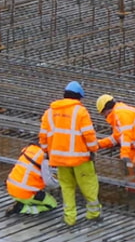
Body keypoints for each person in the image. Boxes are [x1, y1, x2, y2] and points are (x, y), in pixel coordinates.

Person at [39, 81, 102, 227]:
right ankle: (93, 214)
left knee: (67, 188)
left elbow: (43, 136)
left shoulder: (49, 112)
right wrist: (93, 150)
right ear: (79, 97)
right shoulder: (80, 112)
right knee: (89, 186)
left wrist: (47, 151)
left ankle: (69, 218)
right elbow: (89, 135)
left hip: (59, 159)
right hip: (81, 159)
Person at [5, 143, 58, 216]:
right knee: (52, 204)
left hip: (10, 187)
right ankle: (23, 208)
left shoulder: (30, 148)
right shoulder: (46, 157)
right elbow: (50, 183)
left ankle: (23, 202)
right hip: (25, 192)